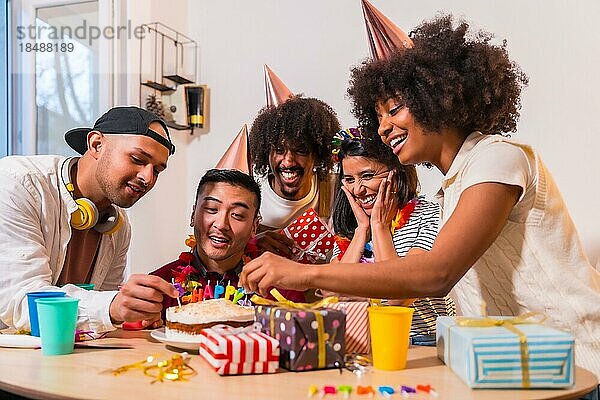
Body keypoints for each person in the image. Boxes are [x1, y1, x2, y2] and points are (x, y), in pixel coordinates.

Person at [240, 15, 600, 378]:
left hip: (575, 364)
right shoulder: (453, 189)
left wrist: (305, 275)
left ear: (437, 99)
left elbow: (435, 274)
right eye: (378, 115)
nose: (382, 127)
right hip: (515, 368)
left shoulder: (498, 158)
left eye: (394, 109)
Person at [0, 106, 179, 333]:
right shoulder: (17, 183)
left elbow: (99, 316)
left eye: (157, 170)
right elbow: (20, 300)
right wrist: (112, 307)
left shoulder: (119, 225)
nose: (147, 177)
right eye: (137, 159)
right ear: (96, 144)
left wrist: (130, 315)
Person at [329, 135, 454, 345]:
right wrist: (362, 230)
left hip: (422, 342)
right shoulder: (350, 227)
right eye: (350, 179)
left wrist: (380, 228)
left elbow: (398, 297)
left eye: (367, 175)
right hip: (361, 343)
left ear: (395, 175)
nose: (358, 189)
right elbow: (337, 292)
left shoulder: (429, 215)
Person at [150, 168, 305, 312]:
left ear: (254, 226)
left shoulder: (278, 289)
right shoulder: (160, 286)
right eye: (211, 209)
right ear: (193, 215)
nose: (221, 224)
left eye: (237, 215)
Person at [248, 95, 341, 256]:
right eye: (279, 150)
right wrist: (250, 244)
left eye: (301, 151)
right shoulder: (250, 196)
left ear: (317, 155)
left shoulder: (335, 189)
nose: (288, 161)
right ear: (266, 153)